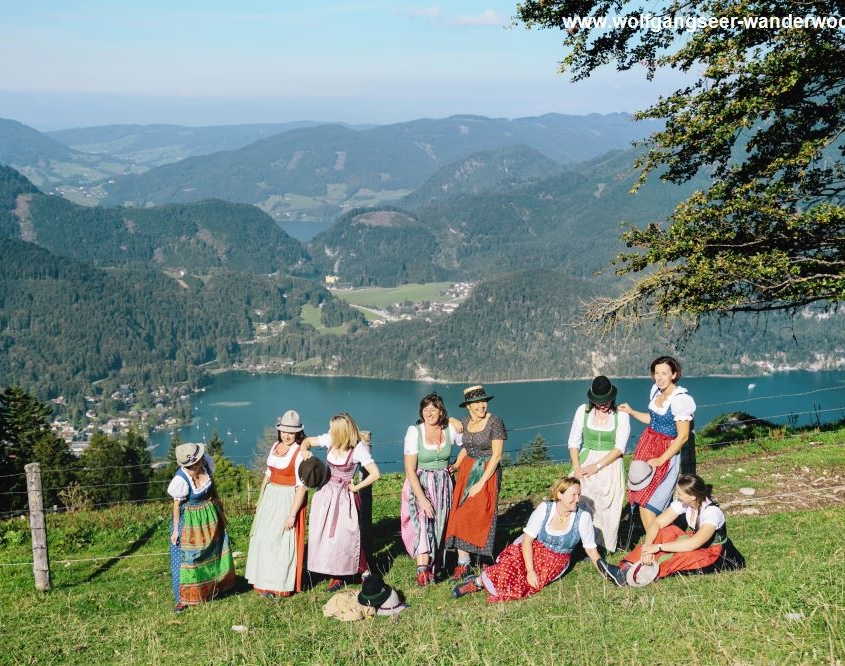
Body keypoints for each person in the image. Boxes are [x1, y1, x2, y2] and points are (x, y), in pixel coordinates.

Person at [451, 476, 605, 602]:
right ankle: (476, 583)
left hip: (556, 562)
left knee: (525, 585)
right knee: (510, 567)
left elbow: (591, 551)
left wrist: (606, 573)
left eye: (579, 495)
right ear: (560, 495)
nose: (577, 499)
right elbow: (528, 540)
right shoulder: (545, 509)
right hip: (534, 548)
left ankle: (484, 580)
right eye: (573, 495)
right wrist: (530, 570)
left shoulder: (582, 517)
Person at [599, 474, 745, 586]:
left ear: (693, 496)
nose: (677, 496)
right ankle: (624, 567)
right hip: (696, 543)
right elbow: (657, 523)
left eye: (680, 494)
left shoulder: (712, 513)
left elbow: (693, 544)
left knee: (682, 556)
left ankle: (639, 576)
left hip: (715, 554)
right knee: (666, 531)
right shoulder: (686, 503)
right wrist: (648, 547)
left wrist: (659, 547)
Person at [301, 412, 381, 591]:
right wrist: (304, 450)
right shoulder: (330, 440)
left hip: (345, 497)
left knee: (344, 536)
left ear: (341, 431)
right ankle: (328, 569)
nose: (329, 430)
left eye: (332, 428)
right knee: (322, 533)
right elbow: (307, 441)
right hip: (326, 493)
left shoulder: (358, 449)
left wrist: (356, 487)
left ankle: (351, 572)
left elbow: (375, 473)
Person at [618, 356, 696, 532]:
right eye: (656, 373)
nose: (659, 377)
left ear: (674, 375)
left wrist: (661, 459)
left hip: (665, 452)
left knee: (650, 501)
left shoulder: (679, 400)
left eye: (664, 373)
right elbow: (652, 420)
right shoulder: (656, 392)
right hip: (647, 446)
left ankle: (656, 543)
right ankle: (655, 542)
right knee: (641, 496)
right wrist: (631, 412)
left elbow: (682, 436)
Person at [400, 392, 463, 586]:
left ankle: (433, 569)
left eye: (433, 409)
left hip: (443, 484)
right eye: (425, 410)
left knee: (438, 527)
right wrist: (422, 498)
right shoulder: (414, 432)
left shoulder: (449, 430)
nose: (429, 413)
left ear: (441, 411)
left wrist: (457, 465)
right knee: (422, 523)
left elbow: (468, 444)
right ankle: (422, 572)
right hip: (419, 484)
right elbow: (410, 469)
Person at [444, 385, 506, 580]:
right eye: (476, 402)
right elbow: (466, 448)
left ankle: (480, 557)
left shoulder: (494, 421)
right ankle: (464, 563)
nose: (481, 405)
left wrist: (480, 483)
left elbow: (496, 456)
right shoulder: (464, 421)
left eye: (483, 401)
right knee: (460, 514)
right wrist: (455, 466)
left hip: (487, 471)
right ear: (468, 406)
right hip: (466, 471)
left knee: (480, 514)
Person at [244, 409, 308, 598]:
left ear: (298, 433)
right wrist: (261, 498)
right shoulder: (275, 447)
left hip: (287, 499)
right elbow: (268, 474)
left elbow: (302, 487)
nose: (287, 435)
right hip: (271, 498)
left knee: (278, 542)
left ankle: (278, 585)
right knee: (262, 539)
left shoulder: (299, 453)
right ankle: (263, 582)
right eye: (284, 431)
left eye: (291, 432)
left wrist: (292, 514)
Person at [167, 442, 236, 613]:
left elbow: (213, 491)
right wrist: (176, 530)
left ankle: (212, 588)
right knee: (187, 559)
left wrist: (219, 510)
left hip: (209, 516)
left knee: (213, 552)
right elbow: (176, 506)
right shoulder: (180, 480)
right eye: (191, 466)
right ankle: (182, 599)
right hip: (189, 522)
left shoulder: (207, 465)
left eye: (197, 463)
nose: (196, 467)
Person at [567, 375, 631, 552]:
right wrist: (577, 467)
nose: (603, 405)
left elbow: (619, 448)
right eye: (598, 401)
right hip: (586, 457)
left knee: (608, 502)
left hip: (610, 461)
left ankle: (603, 545)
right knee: (579, 498)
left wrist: (597, 466)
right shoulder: (583, 411)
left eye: (606, 401)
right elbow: (573, 442)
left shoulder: (621, 415)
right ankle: (580, 542)